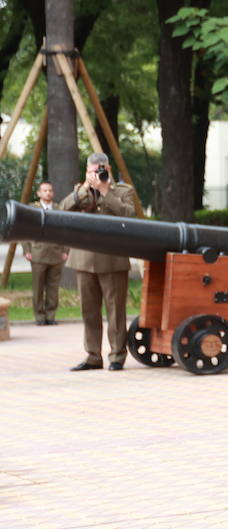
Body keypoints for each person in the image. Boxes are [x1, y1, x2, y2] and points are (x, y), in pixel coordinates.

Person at [60, 153, 136, 371]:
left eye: (100, 171)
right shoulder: (80, 191)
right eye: (92, 171)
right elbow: (62, 210)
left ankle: (116, 356)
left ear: (108, 169)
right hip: (83, 259)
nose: (96, 175)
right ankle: (93, 356)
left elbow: (129, 216)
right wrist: (85, 188)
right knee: (89, 311)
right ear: (87, 171)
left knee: (115, 310)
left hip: (112, 259)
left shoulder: (123, 191)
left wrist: (104, 191)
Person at [22, 181, 67, 326]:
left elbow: (66, 231)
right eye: (45, 190)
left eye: (50, 190)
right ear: (39, 193)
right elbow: (25, 231)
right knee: (38, 288)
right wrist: (27, 250)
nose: (48, 193)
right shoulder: (32, 209)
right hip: (38, 253)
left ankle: (50, 316)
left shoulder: (59, 209)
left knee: (53, 288)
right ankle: (39, 317)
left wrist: (66, 250)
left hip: (56, 253)